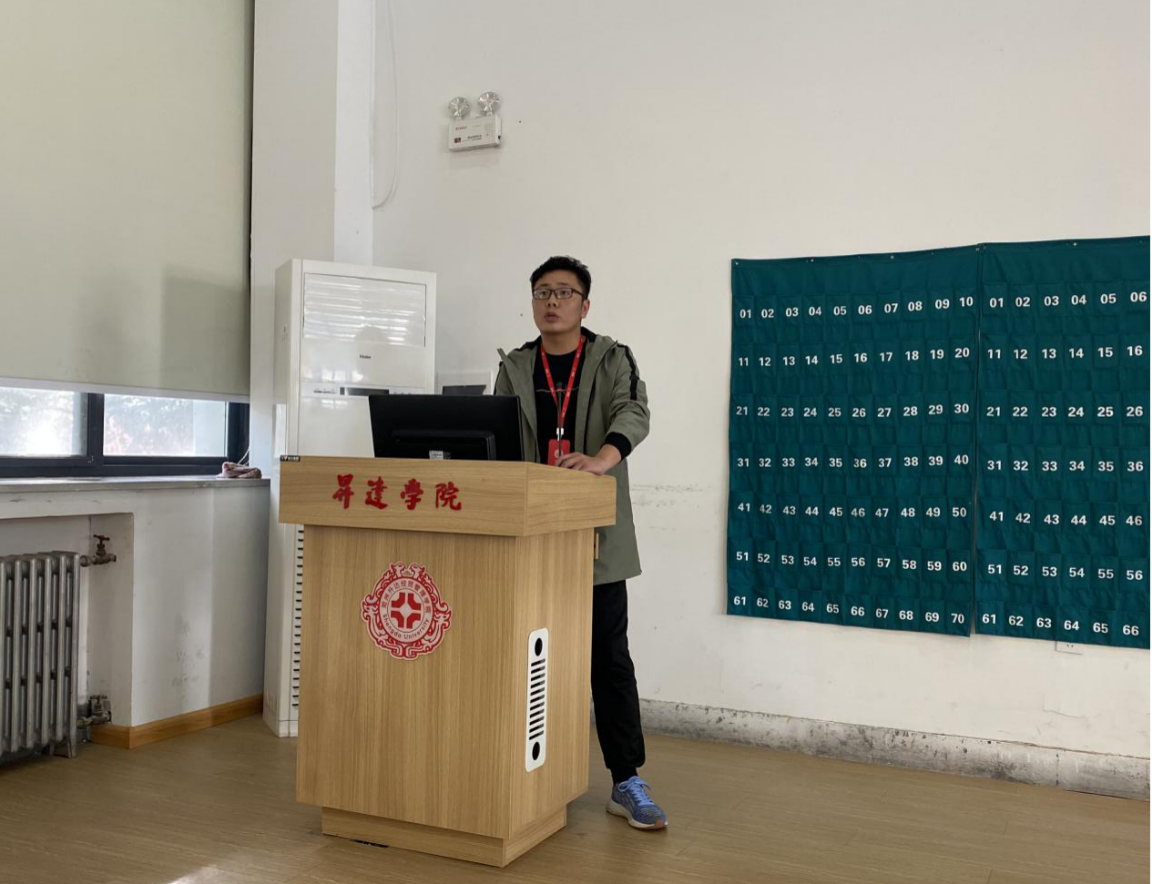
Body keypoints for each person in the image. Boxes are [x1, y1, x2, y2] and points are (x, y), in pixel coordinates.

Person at [495, 255, 667, 831]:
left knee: (608, 660)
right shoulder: (516, 365)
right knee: (527, 657)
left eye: (564, 292)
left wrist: (602, 458)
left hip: (595, 535)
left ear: (585, 305)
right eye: (542, 291)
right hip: (530, 534)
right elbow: (494, 433)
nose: (552, 301)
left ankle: (627, 780)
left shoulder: (612, 358)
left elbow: (634, 411)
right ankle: (534, 776)